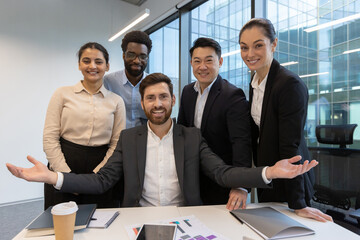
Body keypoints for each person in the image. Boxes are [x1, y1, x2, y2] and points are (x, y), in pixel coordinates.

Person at [6, 73, 318, 208]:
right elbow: (102, 182)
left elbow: (223, 173)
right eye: (151, 98)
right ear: (142, 104)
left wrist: (270, 172)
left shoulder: (191, 137)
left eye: (163, 97)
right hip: (137, 221)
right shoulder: (129, 139)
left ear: (173, 102)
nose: (157, 103)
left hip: (184, 220)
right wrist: (53, 177)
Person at [238, 18, 332, 222]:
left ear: (274, 44)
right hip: (270, 177)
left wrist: (298, 203)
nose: (250, 54)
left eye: (258, 45)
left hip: (290, 183)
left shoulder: (289, 85)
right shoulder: (255, 82)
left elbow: (291, 146)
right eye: (244, 47)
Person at [43, 42, 126, 209]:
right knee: (60, 224)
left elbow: (117, 143)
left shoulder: (116, 101)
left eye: (99, 61)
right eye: (86, 61)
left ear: (107, 66)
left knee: (99, 222)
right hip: (64, 162)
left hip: (101, 166)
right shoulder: (62, 94)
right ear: (79, 65)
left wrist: (99, 175)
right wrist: (65, 176)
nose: (92, 66)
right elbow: (49, 137)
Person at [178, 37, 252, 207]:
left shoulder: (233, 95)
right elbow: (182, 131)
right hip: (192, 177)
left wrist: (240, 185)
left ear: (220, 62)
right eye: (197, 61)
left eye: (209, 61)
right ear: (191, 63)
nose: (202, 67)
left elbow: (241, 143)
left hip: (222, 180)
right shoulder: (188, 92)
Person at [104, 30, 152, 128]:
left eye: (142, 56)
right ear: (123, 56)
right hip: (115, 139)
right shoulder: (108, 82)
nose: (137, 61)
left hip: (144, 139)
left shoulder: (152, 84)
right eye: (131, 55)